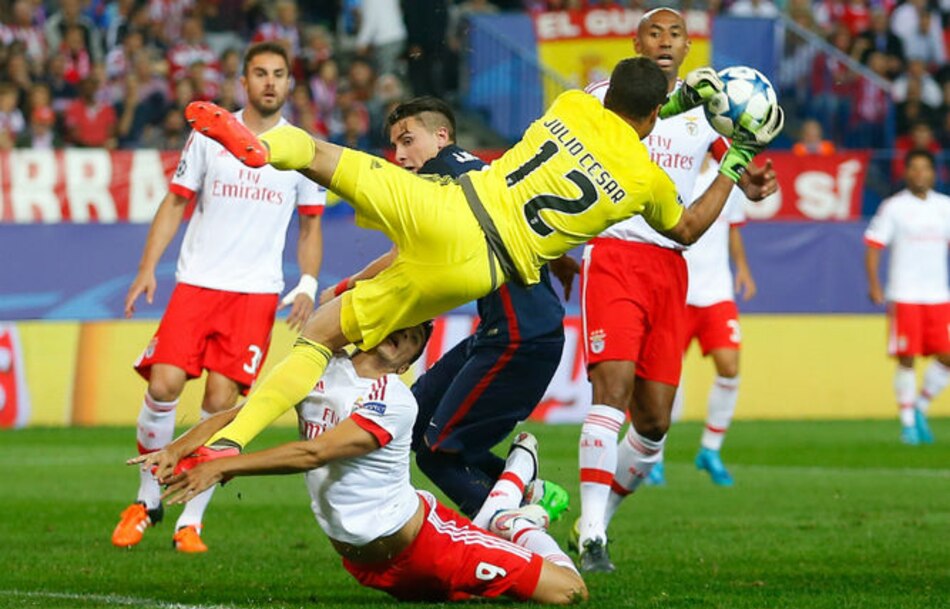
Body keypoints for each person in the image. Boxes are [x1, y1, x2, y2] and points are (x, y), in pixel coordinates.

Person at [179, 55, 783, 504]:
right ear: (653, 113)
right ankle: (229, 447)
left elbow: (629, 109)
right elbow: (686, 227)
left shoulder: (573, 105)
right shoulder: (647, 181)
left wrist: (678, 102)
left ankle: (264, 147)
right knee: (344, 346)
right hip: (479, 267)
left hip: (451, 206)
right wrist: (733, 158)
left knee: (318, 170)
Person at [132, 324, 588, 604]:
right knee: (479, 597)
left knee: (568, 591)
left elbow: (315, 452)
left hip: (430, 546)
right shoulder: (318, 370)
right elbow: (241, 414)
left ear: (409, 361)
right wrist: (178, 447)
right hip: (372, 569)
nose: (404, 335)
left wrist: (225, 466)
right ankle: (504, 507)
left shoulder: (394, 400)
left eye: (415, 338)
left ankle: (515, 520)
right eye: (401, 325)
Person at [567, 8, 778, 573]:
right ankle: (592, 537)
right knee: (611, 390)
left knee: (655, 424)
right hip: (614, 253)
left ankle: (597, 522)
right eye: (654, 33)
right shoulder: (606, 97)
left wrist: (754, 180)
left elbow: (737, 171)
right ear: (636, 44)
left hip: (671, 268)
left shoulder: (709, 113)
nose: (665, 41)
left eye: (675, 34)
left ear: (688, 48)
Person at [111, 42, 328, 553]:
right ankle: (147, 500)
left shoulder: (301, 148)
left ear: (289, 83)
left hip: (255, 294)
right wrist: (146, 268)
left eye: (279, 73)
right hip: (198, 282)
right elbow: (176, 202)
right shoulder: (210, 133)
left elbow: (310, 227)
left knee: (219, 404)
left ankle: (191, 522)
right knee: (163, 383)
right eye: (260, 73)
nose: (270, 82)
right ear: (243, 82)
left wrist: (307, 283)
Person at [321, 96, 568, 522]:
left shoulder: (439, 178)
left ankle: (514, 533)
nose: (399, 155)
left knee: (439, 454)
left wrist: (343, 289)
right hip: (508, 330)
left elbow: (403, 257)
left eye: (407, 140)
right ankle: (527, 491)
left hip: (519, 338)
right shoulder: (483, 171)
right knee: (415, 421)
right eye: (394, 146)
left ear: (441, 136)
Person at [653, 154, 756, 487]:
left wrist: (742, 268)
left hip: (716, 292)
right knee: (665, 379)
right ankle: (653, 457)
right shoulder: (673, 172)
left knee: (730, 367)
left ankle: (710, 449)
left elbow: (733, 228)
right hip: (677, 293)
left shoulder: (727, 179)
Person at [865, 149, 950, 445]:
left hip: (939, 295)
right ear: (906, 173)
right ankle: (908, 424)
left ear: (934, 173)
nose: (919, 174)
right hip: (905, 294)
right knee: (907, 358)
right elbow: (874, 245)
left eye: (925, 168)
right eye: (914, 168)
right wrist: (874, 284)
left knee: (947, 356)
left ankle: (920, 406)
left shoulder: (945, 206)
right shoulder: (894, 207)